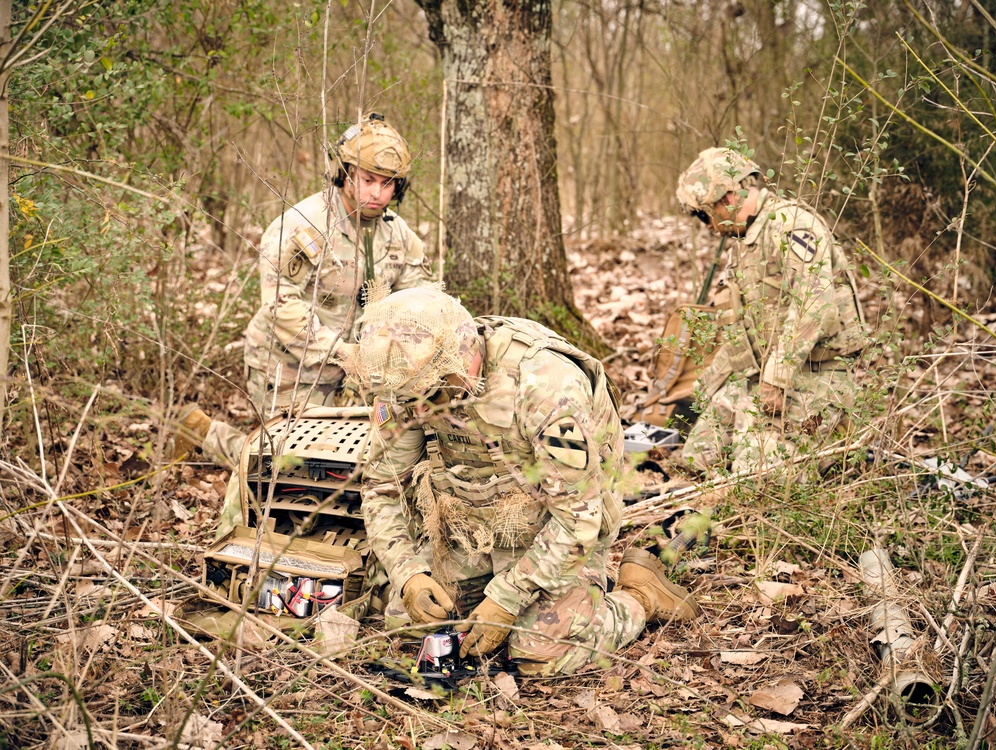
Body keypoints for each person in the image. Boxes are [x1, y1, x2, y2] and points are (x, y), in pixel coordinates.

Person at [336, 287, 700, 676]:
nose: (420, 411)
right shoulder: (405, 383)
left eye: (431, 396)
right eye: (411, 402)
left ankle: (638, 596)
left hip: (558, 531)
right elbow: (382, 490)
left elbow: (578, 518)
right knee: (414, 625)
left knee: (540, 654)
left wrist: (506, 599)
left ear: (462, 365)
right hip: (473, 528)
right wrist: (409, 574)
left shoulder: (545, 387)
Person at [173, 113, 436, 536]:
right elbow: (281, 306)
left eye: (388, 184)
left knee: (351, 459)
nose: (377, 193)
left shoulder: (398, 235)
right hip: (290, 361)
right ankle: (206, 436)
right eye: (368, 180)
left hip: (358, 367)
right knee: (284, 463)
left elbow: (421, 301)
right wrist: (342, 352)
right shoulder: (303, 225)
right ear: (344, 173)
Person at [674, 146, 867, 474]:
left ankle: (833, 447)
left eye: (704, 215)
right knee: (696, 457)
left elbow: (814, 304)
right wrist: (702, 393)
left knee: (757, 478)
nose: (706, 226)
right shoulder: (744, 244)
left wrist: (777, 379)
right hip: (762, 376)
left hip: (816, 374)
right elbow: (741, 331)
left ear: (728, 198)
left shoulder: (791, 226)